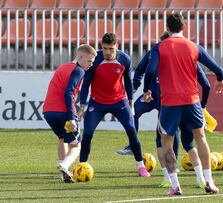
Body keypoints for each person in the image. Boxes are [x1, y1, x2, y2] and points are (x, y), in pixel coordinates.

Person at [117, 32, 213, 189]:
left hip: (169, 103)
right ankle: (200, 178)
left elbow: (147, 72)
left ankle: (171, 178)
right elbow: (141, 70)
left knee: (166, 139)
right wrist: (134, 91)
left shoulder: (161, 53)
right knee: (133, 112)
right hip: (163, 99)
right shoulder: (159, 55)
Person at [143, 13, 223, 196]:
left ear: (167, 28)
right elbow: (217, 68)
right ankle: (209, 181)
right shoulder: (193, 46)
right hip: (191, 100)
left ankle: (175, 185)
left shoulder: (160, 47)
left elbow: (150, 71)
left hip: (170, 102)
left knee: (166, 142)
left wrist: (147, 89)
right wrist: (220, 79)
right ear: (184, 27)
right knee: (200, 138)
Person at [78, 33, 150, 177]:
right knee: (87, 134)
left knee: (131, 130)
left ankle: (141, 166)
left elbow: (128, 82)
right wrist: (82, 107)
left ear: (116, 46)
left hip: (119, 101)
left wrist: (130, 102)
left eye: (111, 48)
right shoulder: (95, 59)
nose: (107, 52)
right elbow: (86, 84)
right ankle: (81, 167)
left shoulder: (125, 59)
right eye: (104, 48)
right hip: (97, 103)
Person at [43, 44, 97, 183]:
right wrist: (72, 117)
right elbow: (69, 93)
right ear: (79, 57)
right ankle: (65, 165)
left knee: (62, 138)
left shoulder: (63, 67)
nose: (91, 64)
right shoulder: (78, 71)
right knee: (76, 145)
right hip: (63, 113)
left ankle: (63, 174)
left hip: (48, 112)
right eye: (89, 61)